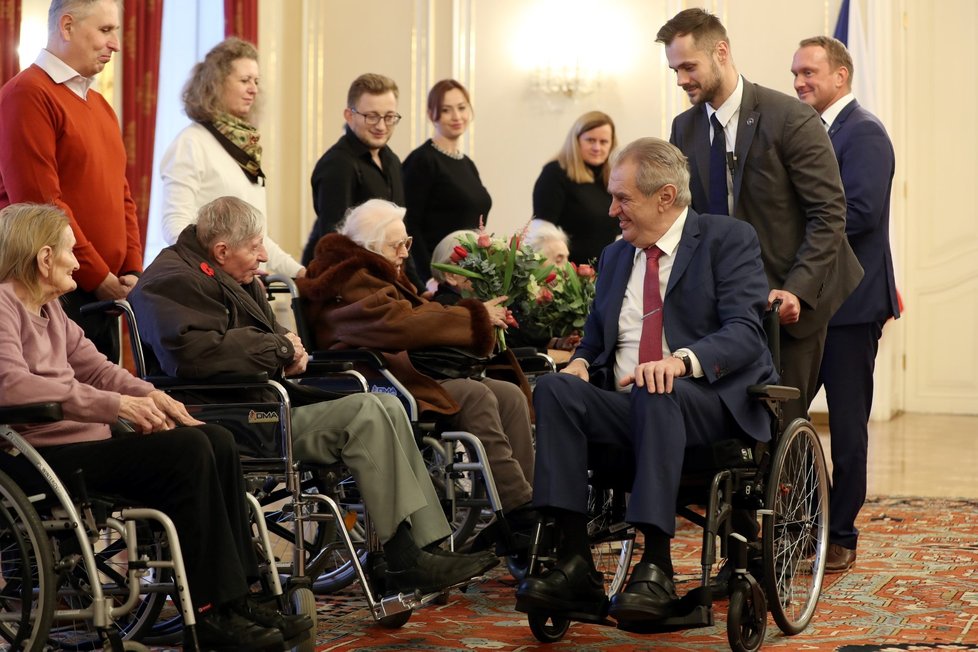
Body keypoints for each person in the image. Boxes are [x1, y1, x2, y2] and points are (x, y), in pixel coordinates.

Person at [129, 196, 496, 597]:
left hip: (260, 403)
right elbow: (195, 354)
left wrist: (286, 348)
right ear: (221, 250)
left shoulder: (230, 275)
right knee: (366, 412)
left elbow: (267, 341)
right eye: (255, 247)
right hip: (228, 417)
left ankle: (422, 548)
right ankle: (404, 560)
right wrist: (281, 351)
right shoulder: (170, 280)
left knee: (388, 403)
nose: (264, 255)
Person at [0, 202, 313, 650]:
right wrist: (114, 407)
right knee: (186, 453)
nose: (78, 261)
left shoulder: (53, 313)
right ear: (44, 258)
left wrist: (153, 396)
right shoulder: (4, 305)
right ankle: (210, 612)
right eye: (71, 251)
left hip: (83, 451)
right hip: (39, 459)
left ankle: (236, 598)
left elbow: (102, 371)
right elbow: (11, 385)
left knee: (214, 439)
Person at [514, 138, 777, 625]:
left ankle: (656, 564)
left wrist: (680, 361)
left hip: (704, 403)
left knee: (658, 390)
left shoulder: (727, 240)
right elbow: (594, 342)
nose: (611, 208)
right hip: (628, 405)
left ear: (665, 196)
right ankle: (574, 562)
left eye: (622, 198)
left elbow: (744, 331)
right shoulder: (617, 256)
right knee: (554, 390)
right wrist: (579, 364)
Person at [657, 8, 863, 424]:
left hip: (791, 297)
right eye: (674, 69)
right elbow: (685, 218)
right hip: (725, 309)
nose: (681, 80)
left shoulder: (790, 117)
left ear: (721, 52)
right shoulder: (684, 129)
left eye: (688, 67)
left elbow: (828, 213)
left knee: (783, 422)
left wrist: (797, 291)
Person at [297, 200, 538, 547]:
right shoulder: (348, 276)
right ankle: (519, 513)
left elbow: (412, 314)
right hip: (375, 382)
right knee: (476, 394)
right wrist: (472, 318)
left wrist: (469, 317)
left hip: (403, 373)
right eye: (397, 245)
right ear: (369, 245)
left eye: (406, 243)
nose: (404, 253)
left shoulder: (371, 272)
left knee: (509, 394)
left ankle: (526, 503)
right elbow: (394, 324)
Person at [791, 36, 900, 573]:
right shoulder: (806, 133)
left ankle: (843, 534)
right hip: (809, 307)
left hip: (852, 308)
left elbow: (857, 214)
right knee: (783, 413)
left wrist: (792, 232)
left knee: (848, 427)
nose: (799, 82)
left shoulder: (864, 134)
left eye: (810, 72)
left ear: (841, 75)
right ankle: (811, 514)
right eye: (795, 74)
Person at [0, 0, 143, 363]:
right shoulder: (28, 93)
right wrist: (99, 276)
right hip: (54, 288)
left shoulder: (99, 104)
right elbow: (41, 205)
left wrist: (130, 270)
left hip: (101, 291)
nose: (116, 44)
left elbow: (122, 193)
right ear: (66, 27)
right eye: (105, 30)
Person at [159, 37, 303, 278]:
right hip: (213, 290)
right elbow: (175, 226)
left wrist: (302, 273)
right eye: (245, 80)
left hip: (249, 287)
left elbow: (258, 238)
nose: (254, 89)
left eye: (256, 81)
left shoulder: (245, 147)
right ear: (216, 84)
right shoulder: (191, 143)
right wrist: (219, 271)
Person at [303, 73, 404, 266]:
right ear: (349, 116)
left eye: (389, 117)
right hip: (348, 283)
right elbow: (335, 242)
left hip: (384, 277)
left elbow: (400, 234)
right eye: (372, 116)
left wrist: (417, 287)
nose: (381, 126)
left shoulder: (392, 160)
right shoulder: (337, 164)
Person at [403, 79, 492, 281]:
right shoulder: (422, 161)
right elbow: (409, 226)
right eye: (445, 110)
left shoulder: (466, 163)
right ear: (430, 114)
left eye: (462, 108)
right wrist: (428, 277)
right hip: (439, 276)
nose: (456, 116)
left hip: (469, 274)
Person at [532, 111, 619, 264]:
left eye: (603, 141)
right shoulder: (554, 173)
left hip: (606, 270)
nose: (597, 147)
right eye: (590, 140)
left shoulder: (614, 177)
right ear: (576, 140)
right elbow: (542, 232)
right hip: (568, 274)